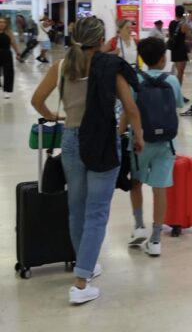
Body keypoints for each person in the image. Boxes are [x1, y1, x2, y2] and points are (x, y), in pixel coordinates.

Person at [31, 16, 144, 304]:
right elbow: (130, 107)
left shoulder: (61, 66)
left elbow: (37, 100)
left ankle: (88, 264)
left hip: (70, 140)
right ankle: (81, 283)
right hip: (102, 140)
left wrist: (57, 115)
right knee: (97, 211)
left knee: (76, 208)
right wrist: (139, 136)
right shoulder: (108, 68)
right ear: (100, 38)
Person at [124, 37, 183, 257]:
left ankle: (139, 225)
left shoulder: (135, 80)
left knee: (136, 182)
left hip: (140, 141)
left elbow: (130, 110)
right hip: (167, 142)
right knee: (160, 189)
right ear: (163, 57)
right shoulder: (173, 81)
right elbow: (177, 105)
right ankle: (156, 239)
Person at [168, 6, 192, 96]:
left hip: (174, 49)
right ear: (182, 13)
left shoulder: (171, 23)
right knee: (180, 73)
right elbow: (190, 36)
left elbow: (170, 35)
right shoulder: (183, 24)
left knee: (177, 71)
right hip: (181, 49)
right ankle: (177, 93)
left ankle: (176, 92)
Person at [0, 17, 22, 99]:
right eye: (0, 22)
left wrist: (17, 53)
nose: (1, 24)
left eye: (3, 22)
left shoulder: (9, 32)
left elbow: (13, 42)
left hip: (6, 53)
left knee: (8, 72)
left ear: (6, 24)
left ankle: (7, 91)